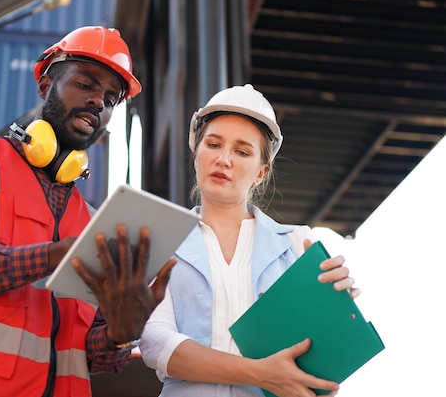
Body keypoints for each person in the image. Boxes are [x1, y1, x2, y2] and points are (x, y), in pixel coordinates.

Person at [0, 26, 175, 397]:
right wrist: (51, 257)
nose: (98, 103)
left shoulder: (92, 221)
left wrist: (121, 336)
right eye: (86, 84)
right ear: (45, 85)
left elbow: (93, 357)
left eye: (110, 99)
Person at [139, 84, 361, 397]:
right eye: (213, 144)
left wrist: (336, 313)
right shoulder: (161, 238)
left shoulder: (298, 243)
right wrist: (262, 374)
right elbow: (156, 343)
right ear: (196, 154)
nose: (224, 159)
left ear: (261, 172)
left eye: (242, 151)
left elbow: (320, 365)